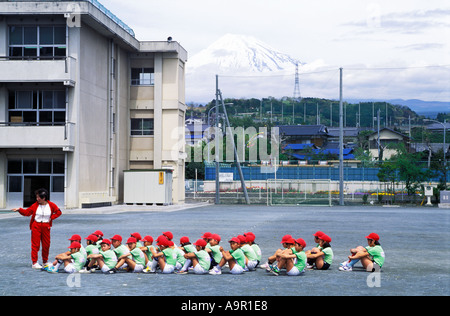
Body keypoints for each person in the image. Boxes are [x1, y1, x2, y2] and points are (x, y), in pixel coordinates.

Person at [12, 188, 62, 269]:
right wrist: (19, 210)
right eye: (37, 197)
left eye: (39, 197)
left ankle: (45, 261)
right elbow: (27, 212)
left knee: (46, 245)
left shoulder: (52, 205)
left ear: (44, 198)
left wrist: (51, 217)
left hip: (46, 226)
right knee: (35, 245)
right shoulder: (35, 205)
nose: (37, 199)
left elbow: (59, 212)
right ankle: (34, 262)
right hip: (36, 226)